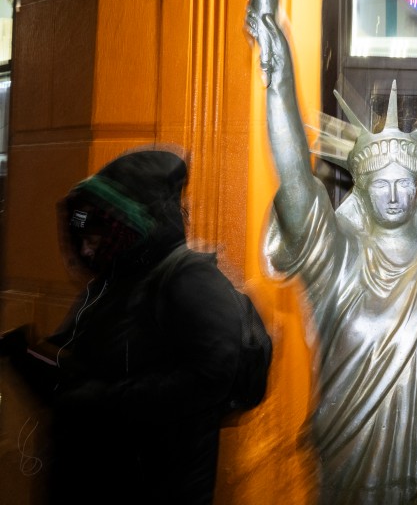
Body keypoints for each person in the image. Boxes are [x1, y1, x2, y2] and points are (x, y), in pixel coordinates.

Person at [247, 5, 417, 504]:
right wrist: (279, 86)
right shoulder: (337, 261)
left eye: (403, 183)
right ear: (361, 191)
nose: (393, 195)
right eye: (380, 184)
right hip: (352, 474)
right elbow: (295, 182)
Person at [0, 148, 244, 504]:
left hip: (152, 486)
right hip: (95, 479)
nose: (86, 250)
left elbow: (212, 375)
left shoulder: (190, 280)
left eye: (95, 237)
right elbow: (78, 373)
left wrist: (107, 399)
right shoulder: (109, 287)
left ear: (131, 225)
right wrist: (24, 353)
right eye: (83, 239)